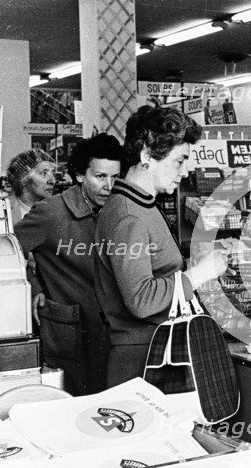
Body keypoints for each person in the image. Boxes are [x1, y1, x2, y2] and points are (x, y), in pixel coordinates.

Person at [95, 104, 228, 387]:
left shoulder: (140, 205)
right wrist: (201, 273)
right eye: (179, 161)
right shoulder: (129, 215)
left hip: (152, 351)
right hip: (142, 363)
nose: (184, 171)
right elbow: (141, 300)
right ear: (147, 155)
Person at [14, 134, 122, 395]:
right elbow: (8, 253)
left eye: (115, 177)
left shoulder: (119, 209)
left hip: (113, 335)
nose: (109, 185)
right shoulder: (50, 213)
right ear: (79, 176)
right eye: (100, 176)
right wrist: (35, 286)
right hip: (70, 336)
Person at [7, 149, 57, 223]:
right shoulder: (5, 211)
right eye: (44, 173)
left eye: (53, 174)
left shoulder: (58, 211)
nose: (52, 181)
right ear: (23, 178)